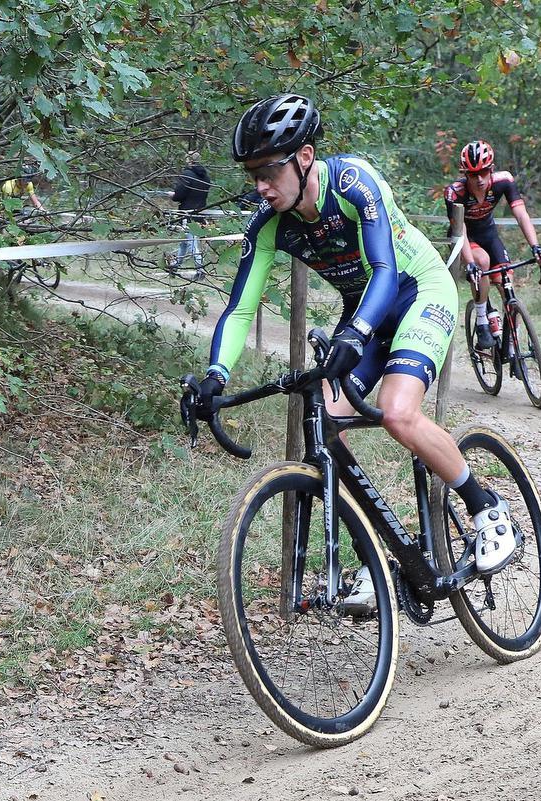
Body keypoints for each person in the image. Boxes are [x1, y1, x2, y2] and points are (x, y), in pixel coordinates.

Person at [189, 94, 519, 601]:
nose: (259, 185)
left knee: (396, 411)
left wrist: (354, 334)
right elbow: (239, 308)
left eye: (268, 170)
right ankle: (381, 559)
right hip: (365, 308)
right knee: (323, 421)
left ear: (304, 157)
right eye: (251, 172)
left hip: (416, 290)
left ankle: (487, 510)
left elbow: (386, 271)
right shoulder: (269, 222)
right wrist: (215, 374)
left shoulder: (352, 182)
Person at [444, 140, 541, 351]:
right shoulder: (455, 193)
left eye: (484, 172)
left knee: (506, 281)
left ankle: (511, 342)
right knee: (482, 262)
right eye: (473, 175)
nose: (480, 179)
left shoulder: (504, 181)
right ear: (465, 174)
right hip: (465, 237)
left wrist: (535, 246)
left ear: (491, 168)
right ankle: (482, 319)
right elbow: (460, 228)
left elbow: (520, 213)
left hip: (489, 235)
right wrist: (470, 263)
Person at [171, 151, 213, 276]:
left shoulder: (187, 175)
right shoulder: (206, 177)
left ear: (189, 160)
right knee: (185, 241)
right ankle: (175, 267)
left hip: (187, 212)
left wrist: (173, 196)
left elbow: (179, 195)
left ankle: (200, 269)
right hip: (200, 212)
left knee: (192, 242)